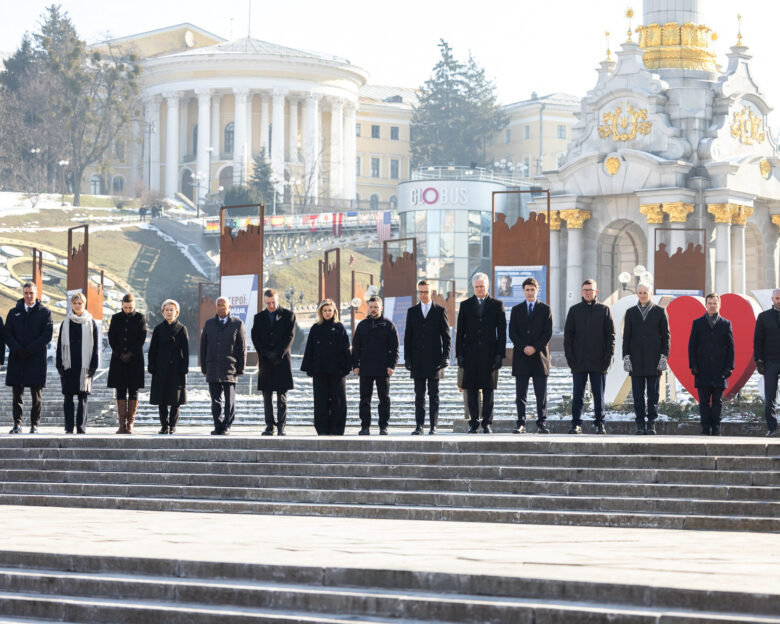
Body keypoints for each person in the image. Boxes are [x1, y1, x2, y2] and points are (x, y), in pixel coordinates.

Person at [563, 279, 615, 434]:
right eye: (585, 290)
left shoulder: (604, 310)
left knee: (598, 395)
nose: (587, 292)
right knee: (577, 395)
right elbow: (568, 337)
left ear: (596, 292)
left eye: (590, 290)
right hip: (578, 361)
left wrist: (608, 357)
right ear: (581, 292)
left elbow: (610, 336)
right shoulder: (574, 310)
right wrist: (570, 358)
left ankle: (600, 424)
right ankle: (576, 424)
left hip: (599, 361)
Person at [456, 272, 506, 434]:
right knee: (471, 389)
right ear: (473, 287)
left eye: (482, 286)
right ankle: (473, 422)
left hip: (489, 354)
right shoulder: (465, 305)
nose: (479, 289)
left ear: (487, 286)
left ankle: (486, 422)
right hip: (470, 354)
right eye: (476, 286)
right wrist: (459, 355)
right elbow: (460, 332)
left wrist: (500, 355)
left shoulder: (497, 305)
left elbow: (502, 333)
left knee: (488, 390)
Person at [622, 283, 670, 435]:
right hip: (635, 361)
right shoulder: (630, 312)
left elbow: (666, 336)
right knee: (637, 395)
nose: (643, 295)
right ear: (637, 294)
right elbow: (626, 337)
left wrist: (664, 356)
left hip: (654, 361)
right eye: (640, 292)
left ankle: (651, 425)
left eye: (645, 292)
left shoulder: (659, 311)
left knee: (653, 395)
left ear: (650, 293)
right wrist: (626, 357)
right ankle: (640, 425)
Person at [5, 282, 53, 434]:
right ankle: (17, 425)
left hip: (36, 359)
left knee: (36, 395)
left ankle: (34, 425)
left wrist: (30, 350)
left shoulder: (45, 312)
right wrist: (18, 349)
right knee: (17, 395)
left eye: (31, 293)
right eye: (26, 293)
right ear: (23, 293)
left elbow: (47, 335)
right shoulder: (13, 313)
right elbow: (7, 334)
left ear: (36, 293)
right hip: (17, 358)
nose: (28, 296)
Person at [404, 280, 451, 435]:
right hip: (417, 360)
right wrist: (408, 359)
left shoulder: (440, 310)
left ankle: (433, 426)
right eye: (421, 291)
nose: (423, 294)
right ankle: (419, 426)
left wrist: (446, 357)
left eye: (426, 291)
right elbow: (407, 337)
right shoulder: (412, 311)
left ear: (431, 292)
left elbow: (446, 337)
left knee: (434, 395)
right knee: (419, 395)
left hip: (435, 361)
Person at [301, 299, 351, 435]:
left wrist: (347, 367)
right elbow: (309, 349)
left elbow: (346, 348)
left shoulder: (340, 327)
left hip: (337, 371)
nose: (327, 313)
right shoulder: (315, 328)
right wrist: (309, 368)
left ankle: (337, 429)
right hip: (320, 370)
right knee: (321, 401)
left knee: (338, 401)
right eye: (325, 310)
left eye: (330, 310)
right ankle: (322, 429)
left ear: (334, 311)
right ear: (321, 312)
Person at [508, 277, 552, 434]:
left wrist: (534, 347)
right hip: (522, 357)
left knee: (541, 394)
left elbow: (548, 333)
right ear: (523, 291)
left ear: (537, 290)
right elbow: (512, 332)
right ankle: (521, 423)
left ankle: (542, 423)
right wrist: (524, 347)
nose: (530, 292)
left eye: (532, 289)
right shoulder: (516, 310)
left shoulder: (545, 309)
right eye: (527, 290)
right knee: (521, 395)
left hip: (539, 357)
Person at [352, 296, 399, 435]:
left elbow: (394, 348)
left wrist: (392, 366)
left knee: (384, 399)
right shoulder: (362, 325)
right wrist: (355, 364)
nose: (373, 310)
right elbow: (356, 347)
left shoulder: (388, 325)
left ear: (381, 308)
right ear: (368, 308)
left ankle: (383, 426)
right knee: (364, 399)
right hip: (365, 368)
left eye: (376, 307)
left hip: (383, 368)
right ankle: (365, 426)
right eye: (371, 307)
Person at [251, 288, 295, 436]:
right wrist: (264, 353)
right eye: (267, 303)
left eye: (273, 302)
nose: (270, 306)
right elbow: (255, 337)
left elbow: (289, 337)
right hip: (265, 361)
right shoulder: (259, 317)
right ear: (264, 301)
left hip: (281, 360)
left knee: (282, 396)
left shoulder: (289, 315)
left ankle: (281, 426)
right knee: (267, 395)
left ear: (278, 300)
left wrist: (277, 353)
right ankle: (270, 426)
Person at [689, 293, 734, 436]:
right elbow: (692, 346)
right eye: (710, 303)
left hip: (720, 369)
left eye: (715, 303)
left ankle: (716, 428)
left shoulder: (726, 324)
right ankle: (705, 428)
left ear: (719, 305)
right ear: (706, 304)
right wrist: (693, 365)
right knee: (703, 401)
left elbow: (731, 347)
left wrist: (729, 367)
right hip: (702, 369)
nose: (712, 306)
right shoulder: (697, 323)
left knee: (717, 401)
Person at [201, 296, 246, 435]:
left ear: (229, 307)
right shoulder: (209, 324)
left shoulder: (237, 324)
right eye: (219, 305)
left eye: (224, 305)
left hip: (230, 367)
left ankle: (227, 425)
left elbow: (242, 348)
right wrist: (204, 368)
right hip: (212, 367)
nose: (221, 307)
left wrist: (240, 368)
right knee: (215, 400)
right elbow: (204, 347)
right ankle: (218, 425)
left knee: (229, 401)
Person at [55, 293, 99, 434]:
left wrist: (94, 365)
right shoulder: (65, 322)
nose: (77, 305)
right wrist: (59, 365)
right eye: (75, 303)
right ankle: (68, 427)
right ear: (71, 305)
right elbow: (60, 344)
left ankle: (81, 427)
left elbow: (95, 346)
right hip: (69, 365)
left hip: (84, 365)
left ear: (84, 304)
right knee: (68, 397)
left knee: (83, 397)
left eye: (80, 303)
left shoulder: (91, 322)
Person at [107, 293, 147, 434]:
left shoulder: (140, 318)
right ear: (121, 305)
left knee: (134, 390)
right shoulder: (115, 318)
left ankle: (130, 424)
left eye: (130, 307)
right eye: (125, 307)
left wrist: (130, 353)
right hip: (118, 359)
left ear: (134, 305)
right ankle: (121, 424)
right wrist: (120, 353)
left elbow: (141, 338)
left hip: (135, 359)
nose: (128, 310)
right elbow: (111, 337)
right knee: (120, 390)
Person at [148, 299, 189, 434]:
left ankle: (173, 425)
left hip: (176, 368)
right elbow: (152, 349)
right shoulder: (158, 329)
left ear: (176, 312)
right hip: (161, 368)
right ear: (163, 312)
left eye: (172, 309)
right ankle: (164, 425)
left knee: (175, 399)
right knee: (162, 398)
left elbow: (186, 350)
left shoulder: (182, 329)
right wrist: (152, 365)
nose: (169, 312)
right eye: (167, 309)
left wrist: (184, 366)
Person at [754, 288, 780, 436]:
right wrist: (759, 360)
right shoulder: (764, 317)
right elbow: (758, 340)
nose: (779, 301)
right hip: (770, 361)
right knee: (770, 396)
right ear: (772, 300)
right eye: (777, 298)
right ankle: (772, 428)